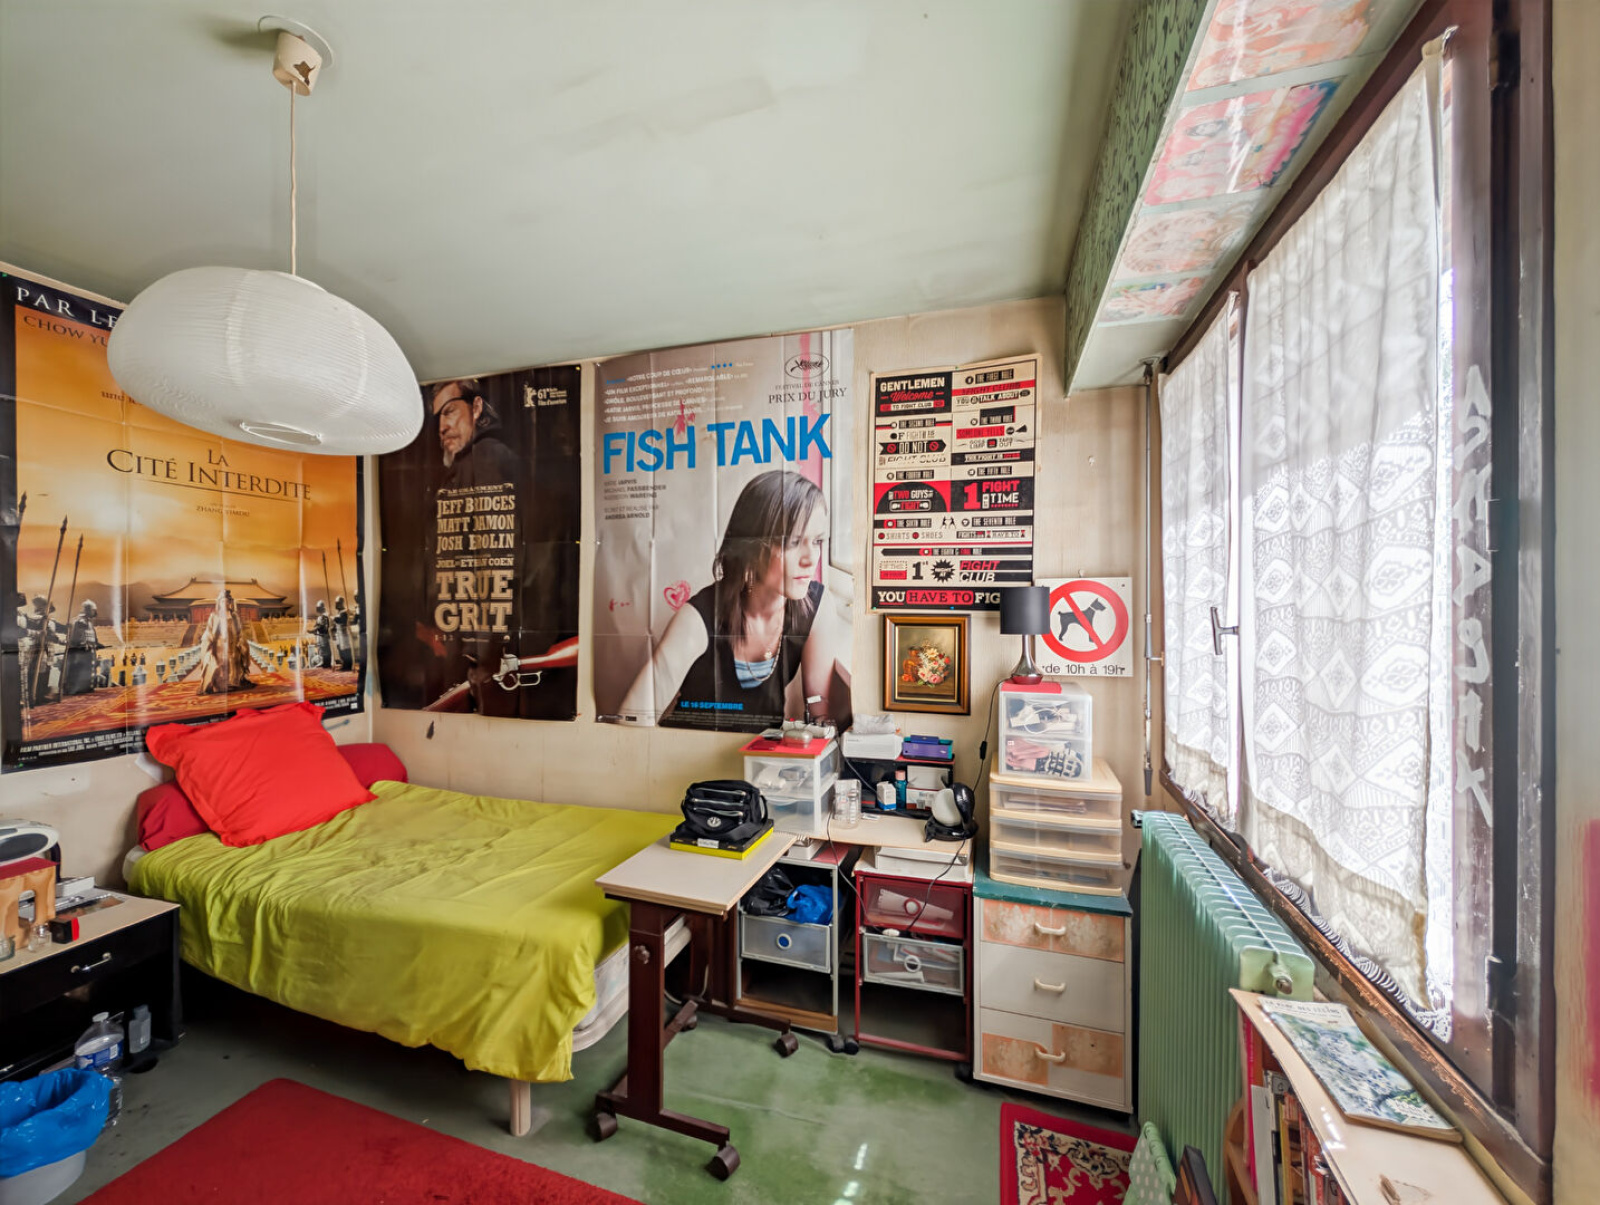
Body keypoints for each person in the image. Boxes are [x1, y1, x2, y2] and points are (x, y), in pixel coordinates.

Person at [620, 469, 850, 729]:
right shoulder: (698, 618)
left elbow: (818, 708)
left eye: (817, 541)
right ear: (752, 546)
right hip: (689, 751)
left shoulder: (816, 606)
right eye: (793, 542)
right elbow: (631, 720)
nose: (810, 558)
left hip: (759, 753)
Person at [431, 379, 518, 488]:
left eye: (449, 411)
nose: (442, 428)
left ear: (476, 407)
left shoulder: (487, 453)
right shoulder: (463, 463)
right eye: (437, 419)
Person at [195, 590, 254, 694]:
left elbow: (240, 631)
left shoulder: (234, 616)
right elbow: (209, 631)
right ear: (219, 603)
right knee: (219, 663)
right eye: (223, 601)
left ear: (230, 602)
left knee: (233, 660)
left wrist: (241, 641)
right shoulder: (214, 616)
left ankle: (232, 683)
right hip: (219, 646)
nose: (225, 603)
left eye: (227, 601)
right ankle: (219, 685)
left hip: (233, 644)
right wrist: (208, 640)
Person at [21, 595, 61, 706]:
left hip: (47, 649)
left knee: (45, 672)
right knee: (36, 672)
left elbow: (54, 632)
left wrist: (64, 630)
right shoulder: (36, 619)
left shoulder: (49, 620)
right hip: (38, 649)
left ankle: (41, 695)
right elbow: (44, 633)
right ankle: (34, 696)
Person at [63, 600, 101, 695]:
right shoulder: (79, 621)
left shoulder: (89, 622)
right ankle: (76, 689)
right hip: (81, 651)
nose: (95, 613)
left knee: (89, 670)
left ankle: (87, 687)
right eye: (93, 610)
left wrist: (96, 644)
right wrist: (82, 644)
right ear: (88, 610)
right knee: (80, 670)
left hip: (89, 651)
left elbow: (92, 637)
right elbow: (76, 637)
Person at [333, 595, 354, 672]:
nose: (336, 604)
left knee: (346, 651)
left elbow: (342, 621)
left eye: (337, 603)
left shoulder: (344, 612)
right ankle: (344, 664)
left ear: (341, 603)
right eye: (336, 603)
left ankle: (348, 666)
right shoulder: (338, 613)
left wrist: (334, 618)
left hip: (344, 635)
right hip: (339, 635)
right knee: (340, 651)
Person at [312, 600, 333, 670]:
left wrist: (317, 628)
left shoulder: (325, 616)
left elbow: (324, 626)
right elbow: (316, 625)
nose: (318, 609)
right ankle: (323, 662)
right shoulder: (319, 617)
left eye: (319, 608)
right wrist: (314, 629)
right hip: (319, 636)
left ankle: (327, 663)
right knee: (321, 649)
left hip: (324, 636)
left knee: (325, 649)